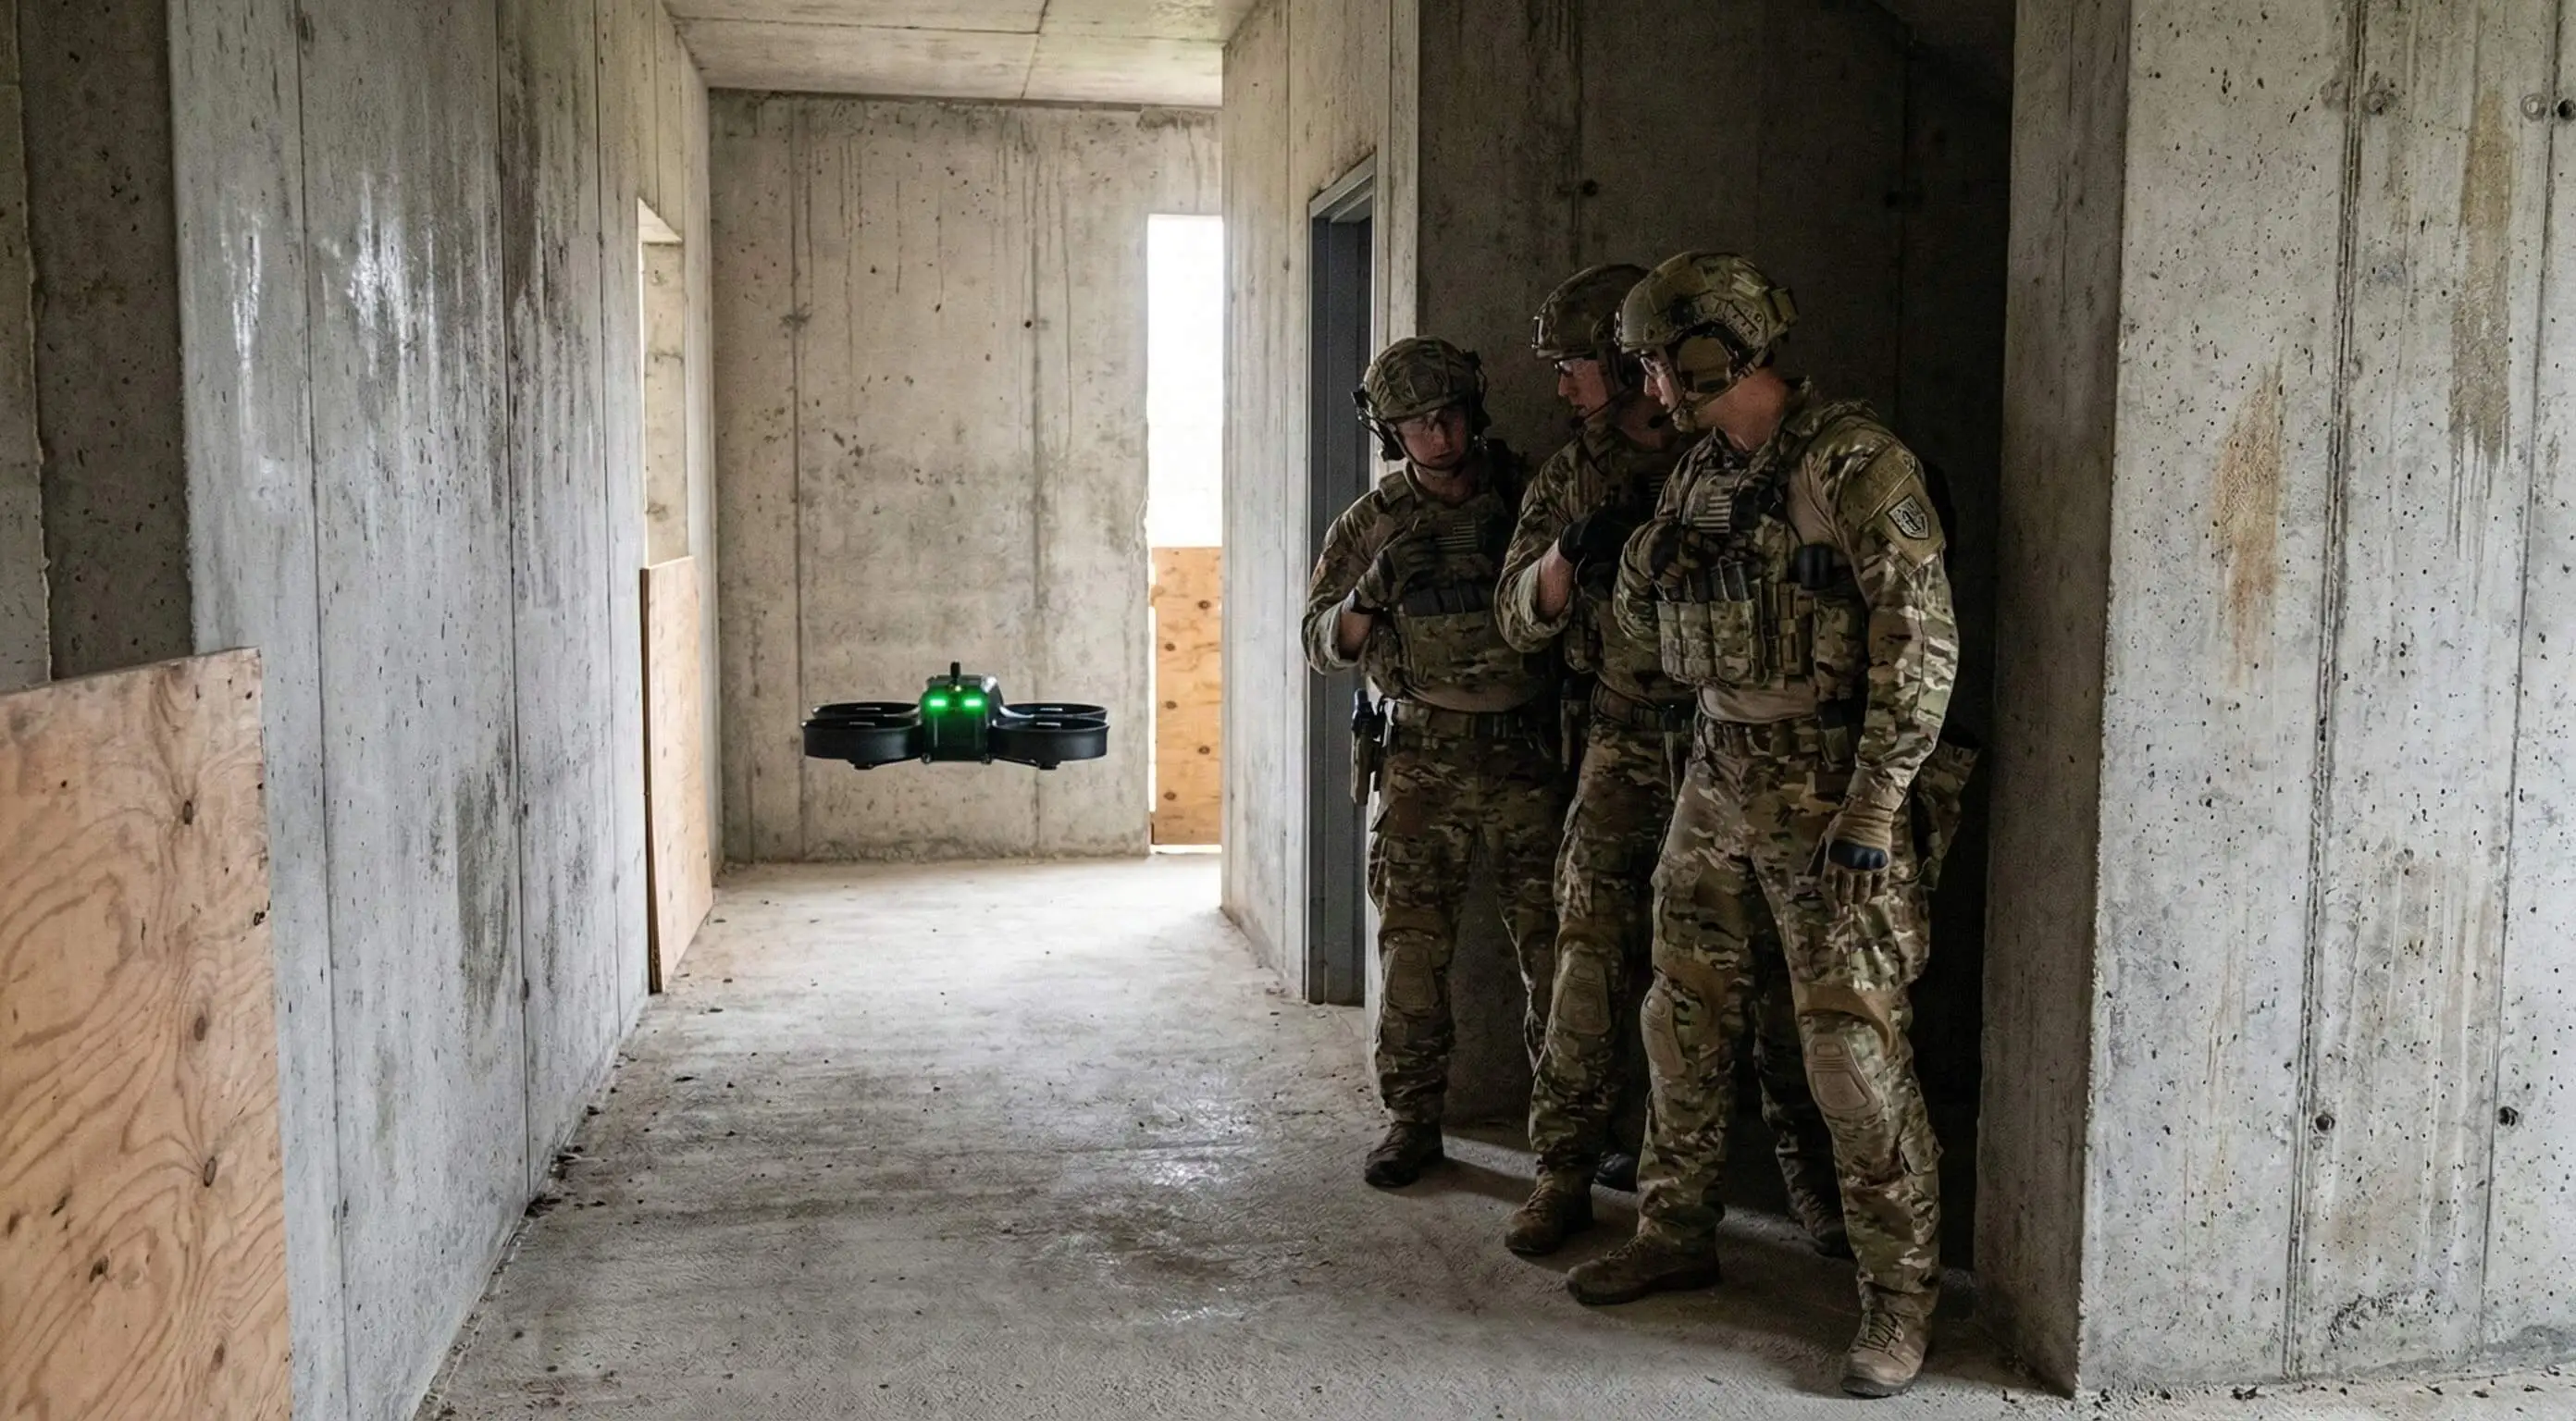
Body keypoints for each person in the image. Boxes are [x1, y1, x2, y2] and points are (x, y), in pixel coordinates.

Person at [1568, 253, 1958, 1400]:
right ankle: (1675, 1230)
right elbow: (1645, 635)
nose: (1644, 382)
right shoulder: (1700, 473)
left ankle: (1899, 1300)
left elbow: (1920, 641)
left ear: (1710, 353)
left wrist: (1877, 805)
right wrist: (1647, 555)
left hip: (1831, 781)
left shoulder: (1854, 463)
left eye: (1653, 359)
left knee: (1848, 1045)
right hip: (1719, 767)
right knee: (1680, 1015)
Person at [1493, 265, 1849, 1261]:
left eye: (1580, 367)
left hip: (1741, 745)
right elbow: (1515, 616)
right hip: (1622, 740)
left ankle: (1809, 1181)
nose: (1567, 387)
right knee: (1591, 964)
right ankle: (1563, 1169)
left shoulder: (1742, 455)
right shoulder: (1576, 473)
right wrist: (1570, 555)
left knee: (1781, 978)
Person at [1300, 336, 1566, 1189]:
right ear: (1391, 434)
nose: (1438, 436)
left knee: (1562, 950)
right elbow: (1319, 645)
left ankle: (1572, 1131)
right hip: (1420, 756)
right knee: (1414, 952)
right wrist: (1370, 592)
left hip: (1528, 748)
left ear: (1472, 411)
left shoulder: (1531, 497)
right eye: (1415, 424)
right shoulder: (1372, 523)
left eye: (1448, 416)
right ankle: (1413, 1119)